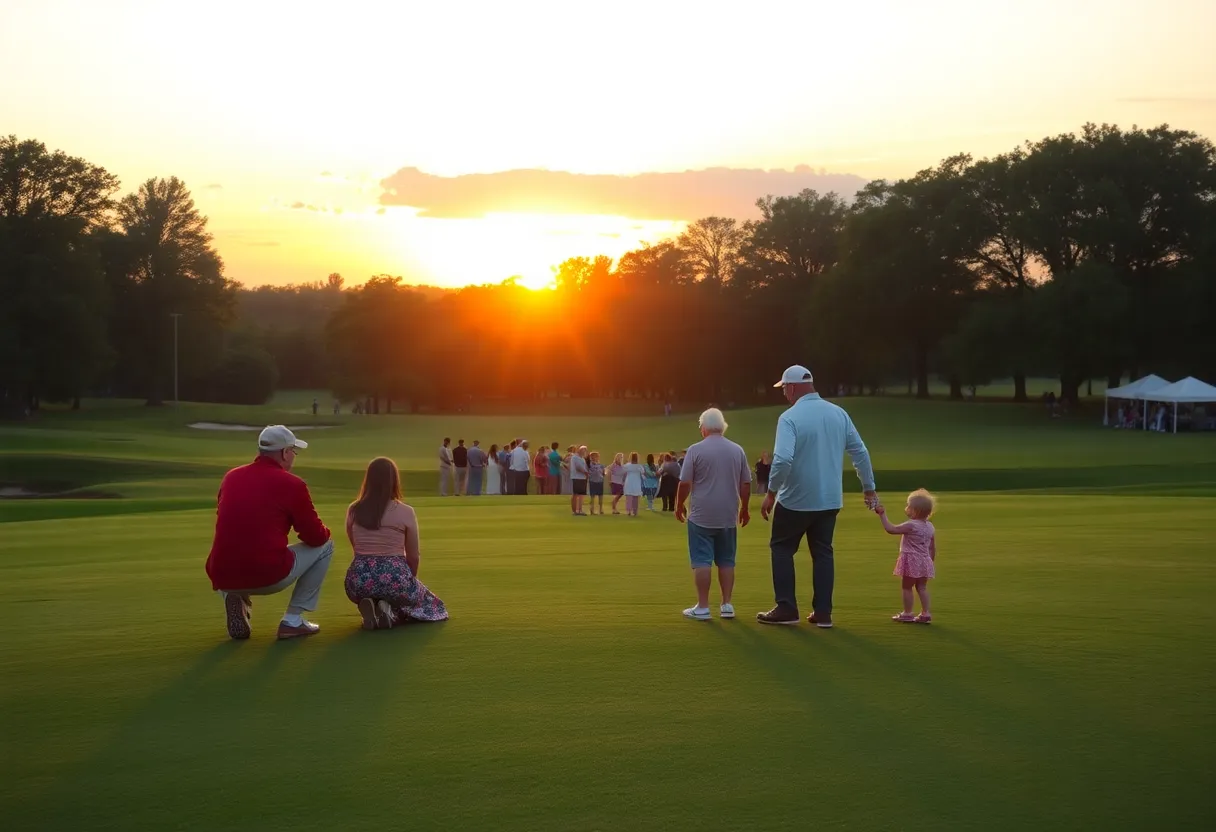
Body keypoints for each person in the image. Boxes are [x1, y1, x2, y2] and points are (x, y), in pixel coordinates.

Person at [758, 365, 877, 628]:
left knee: (781, 548)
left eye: (785, 389)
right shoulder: (838, 413)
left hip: (796, 499)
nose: (785, 394)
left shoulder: (789, 418)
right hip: (829, 498)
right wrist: (868, 487)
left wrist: (771, 492)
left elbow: (782, 459)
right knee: (823, 552)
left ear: (791, 387)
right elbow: (860, 452)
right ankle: (823, 612)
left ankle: (786, 607)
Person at [205, 425, 334, 640]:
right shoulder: (293, 484)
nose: (294, 456)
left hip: (221, 575)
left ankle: (235, 596)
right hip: (267, 574)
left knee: (235, 552)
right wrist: (325, 530)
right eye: (294, 451)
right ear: (284, 453)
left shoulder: (231, 477)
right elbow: (316, 536)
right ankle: (293, 620)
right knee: (326, 546)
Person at [344, 457, 448, 629]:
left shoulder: (354, 509)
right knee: (432, 605)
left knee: (377, 589)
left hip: (358, 579)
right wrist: (410, 579)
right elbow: (413, 556)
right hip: (394, 576)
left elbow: (355, 547)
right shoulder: (406, 511)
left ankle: (374, 605)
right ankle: (389, 611)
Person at [675, 408, 751, 621]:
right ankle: (726, 604)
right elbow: (745, 483)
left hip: (701, 514)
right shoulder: (737, 450)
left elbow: (685, 482)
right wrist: (744, 508)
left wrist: (679, 504)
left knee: (702, 560)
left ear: (703, 428)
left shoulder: (695, 450)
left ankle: (703, 606)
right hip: (728, 514)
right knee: (727, 560)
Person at [878, 489, 937, 624]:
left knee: (907, 587)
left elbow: (891, 529)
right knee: (922, 587)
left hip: (911, 560)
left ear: (915, 510)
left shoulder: (911, 525)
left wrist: (882, 515)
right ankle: (925, 613)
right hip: (925, 560)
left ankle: (907, 613)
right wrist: (930, 562)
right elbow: (932, 546)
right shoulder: (930, 527)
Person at [622, 452, 645, 516]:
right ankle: (635, 511)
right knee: (635, 497)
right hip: (636, 482)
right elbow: (643, 473)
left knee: (629, 497)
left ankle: (628, 511)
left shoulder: (627, 465)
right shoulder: (639, 466)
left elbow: (623, 470)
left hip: (629, 481)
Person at [570, 445, 589, 515]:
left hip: (582, 478)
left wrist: (586, 474)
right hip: (577, 477)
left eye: (585, 450)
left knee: (581, 495)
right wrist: (586, 473)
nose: (584, 452)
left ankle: (580, 510)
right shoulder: (575, 457)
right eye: (583, 450)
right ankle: (575, 511)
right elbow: (578, 467)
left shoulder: (582, 458)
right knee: (576, 494)